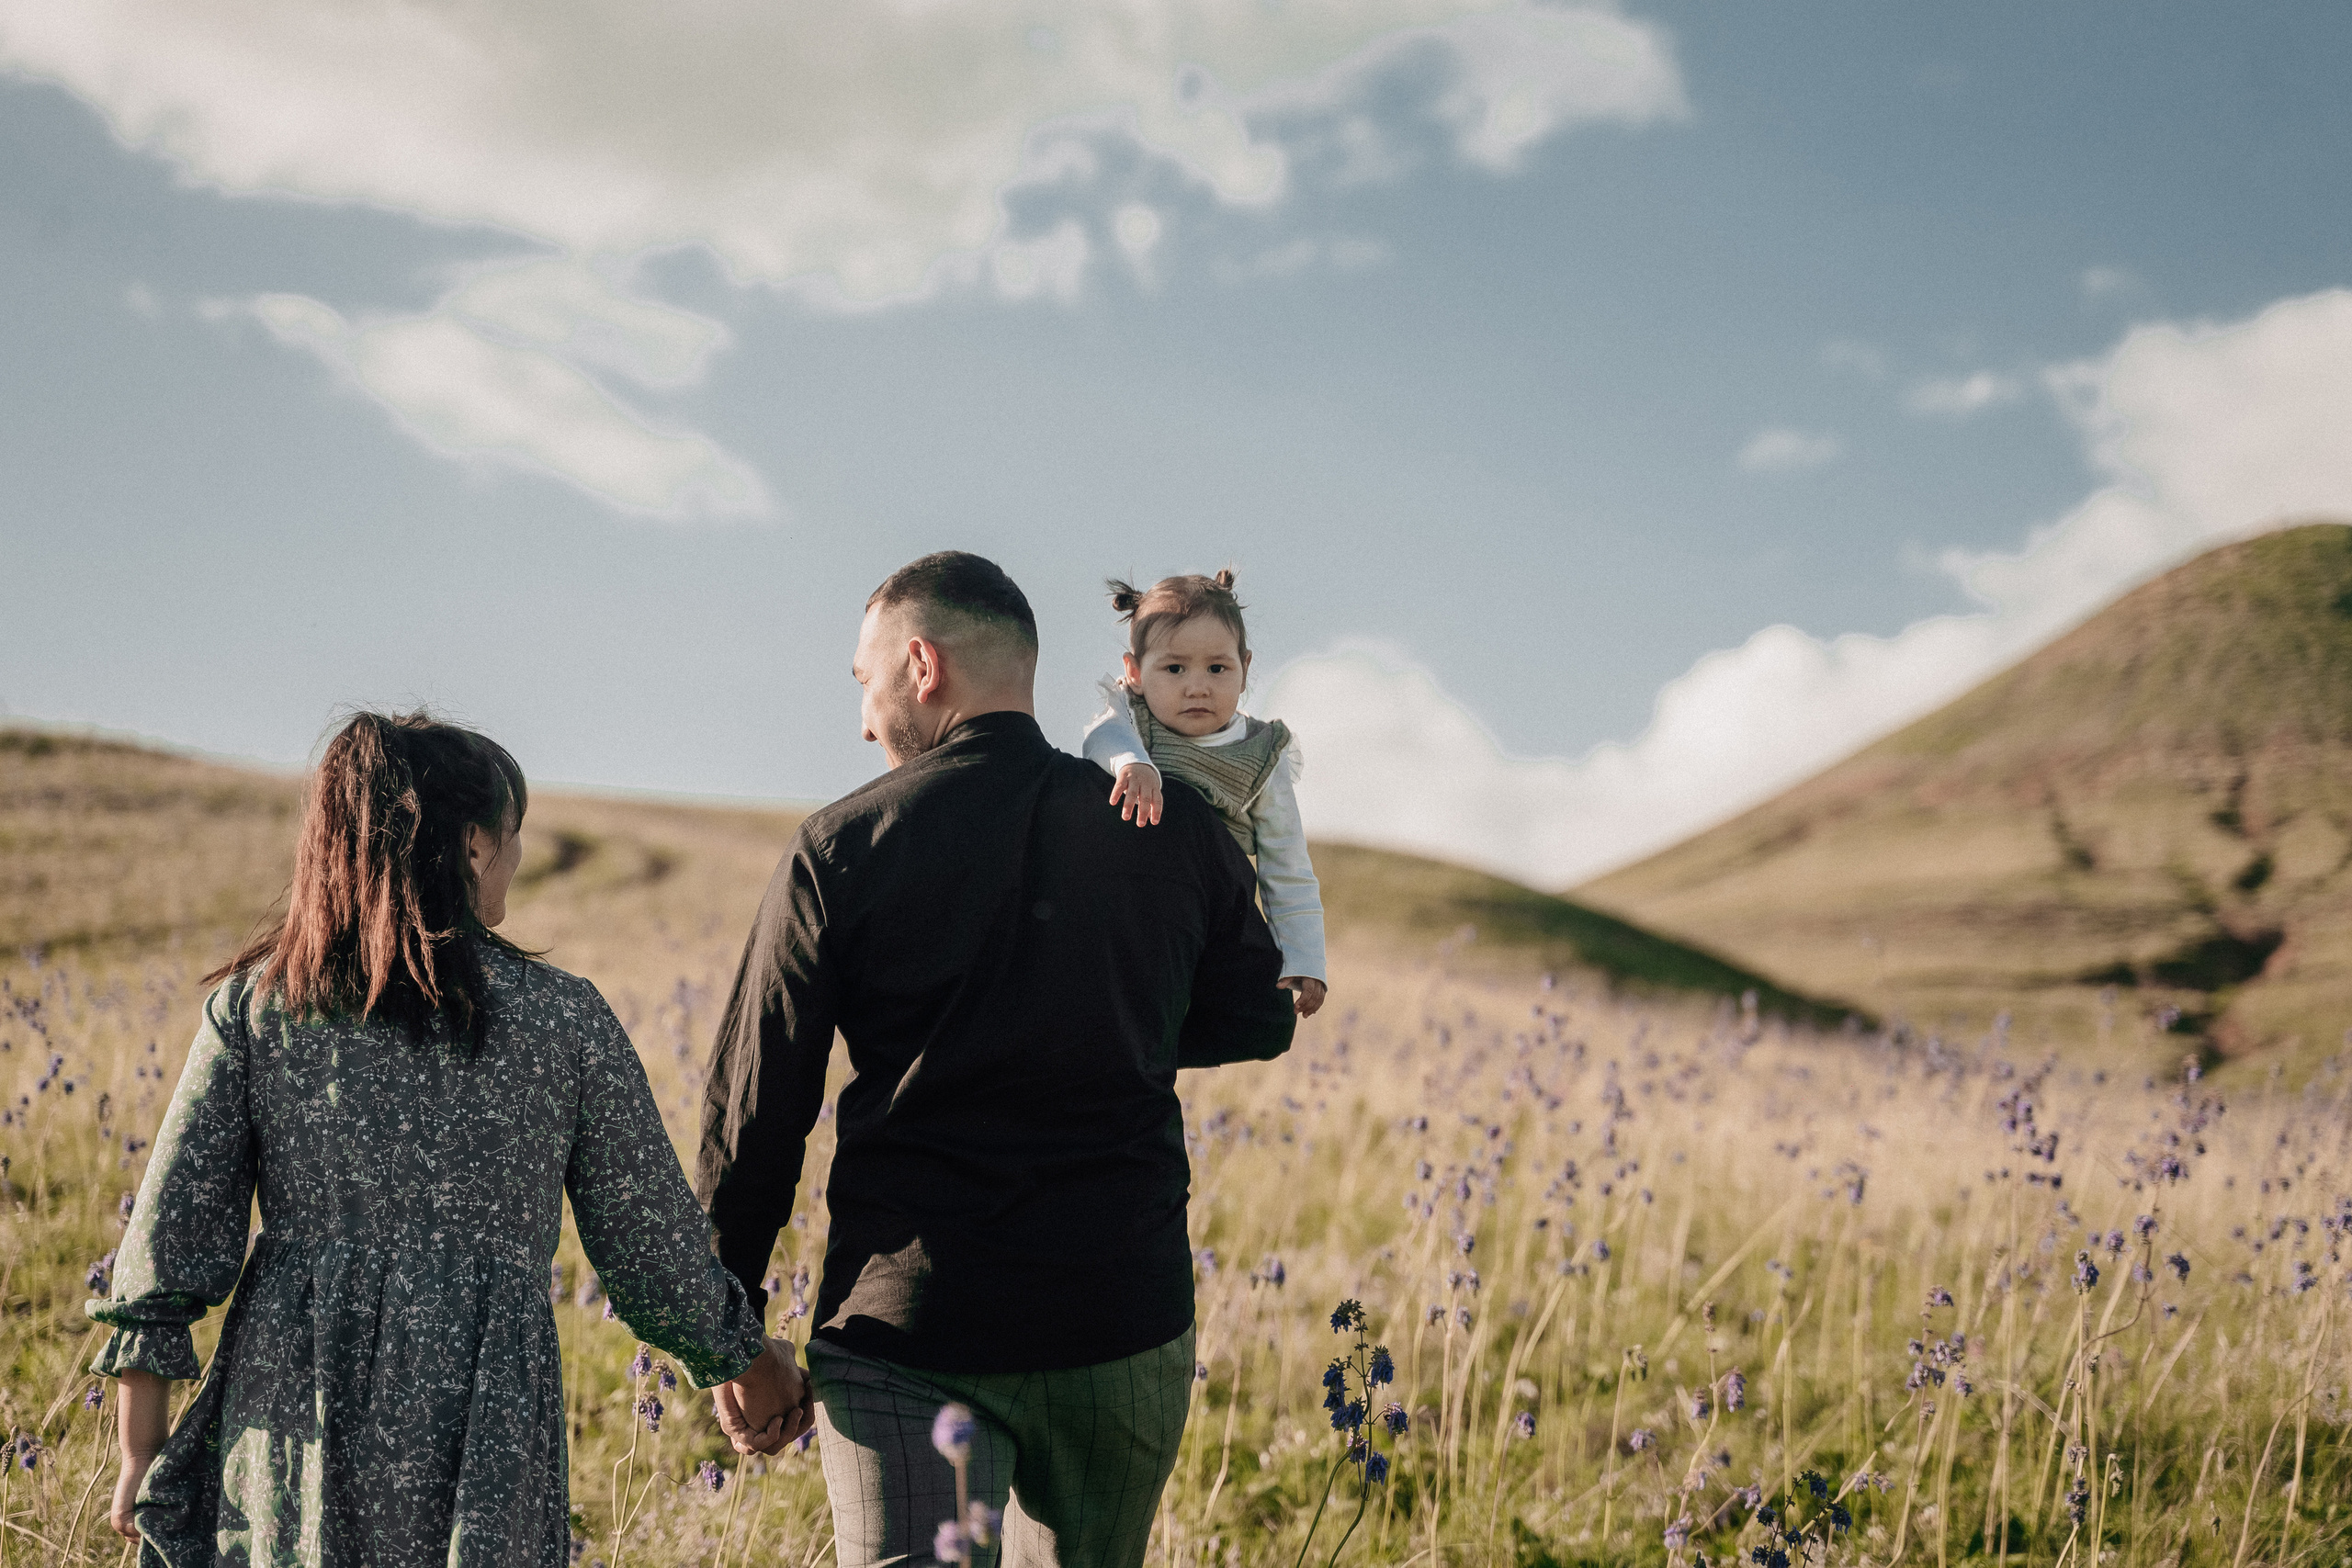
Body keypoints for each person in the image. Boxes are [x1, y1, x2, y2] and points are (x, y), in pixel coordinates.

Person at [88, 711, 807, 1565]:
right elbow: (650, 1245)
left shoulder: (257, 1009)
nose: (517, 856)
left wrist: (139, 1452)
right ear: (473, 845)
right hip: (484, 1419)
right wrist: (745, 1360)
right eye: (514, 835)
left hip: (291, 1417)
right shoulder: (562, 1019)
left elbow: (166, 1249)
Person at [695, 551, 1297, 1568]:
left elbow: (755, 1113)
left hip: (905, 1335)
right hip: (1122, 1319)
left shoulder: (840, 847)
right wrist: (1114, 1020)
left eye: (864, 682)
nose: (863, 719)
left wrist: (732, 1337)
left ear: (920, 666)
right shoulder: (1172, 828)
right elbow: (1258, 1019)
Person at [1080, 569, 1328, 1018]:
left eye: (1218, 668)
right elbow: (1100, 736)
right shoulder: (1130, 719)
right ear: (1134, 672)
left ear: (1245, 667)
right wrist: (1133, 762)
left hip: (1205, 913)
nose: (1197, 686)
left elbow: (1287, 865)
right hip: (1126, 899)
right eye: (1174, 668)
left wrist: (1305, 958)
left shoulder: (1260, 754)